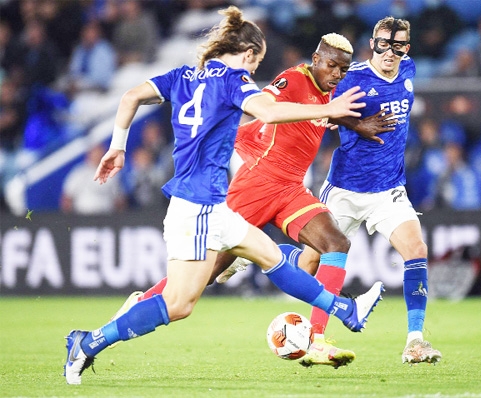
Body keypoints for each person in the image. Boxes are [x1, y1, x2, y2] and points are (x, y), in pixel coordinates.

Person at [63, 6, 384, 385]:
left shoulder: (181, 76)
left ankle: (346, 311)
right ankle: (90, 342)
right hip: (196, 208)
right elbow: (266, 110)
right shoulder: (235, 81)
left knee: (272, 258)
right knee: (179, 304)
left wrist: (117, 147)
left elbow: (130, 96)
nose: (252, 71)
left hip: (213, 206)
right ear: (248, 54)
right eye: (254, 63)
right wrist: (331, 109)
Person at [263, 16, 441, 364]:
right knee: (313, 261)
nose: (390, 52)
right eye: (383, 45)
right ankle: (259, 254)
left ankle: (415, 341)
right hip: (344, 188)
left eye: (399, 45)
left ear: (408, 47)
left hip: (389, 189)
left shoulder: (409, 70)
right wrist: (357, 125)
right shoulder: (352, 77)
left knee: (416, 248)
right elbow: (320, 111)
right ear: (372, 43)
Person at [61, 143, 127, 215]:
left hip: (106, 218)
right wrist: (68, 219)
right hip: (82, 218)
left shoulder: (112, 174)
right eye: (95, 153)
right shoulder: (79, 173)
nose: (97, 156)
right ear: (89, 155)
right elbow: (67, 197)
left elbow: (119, 199)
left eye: (99, 153)